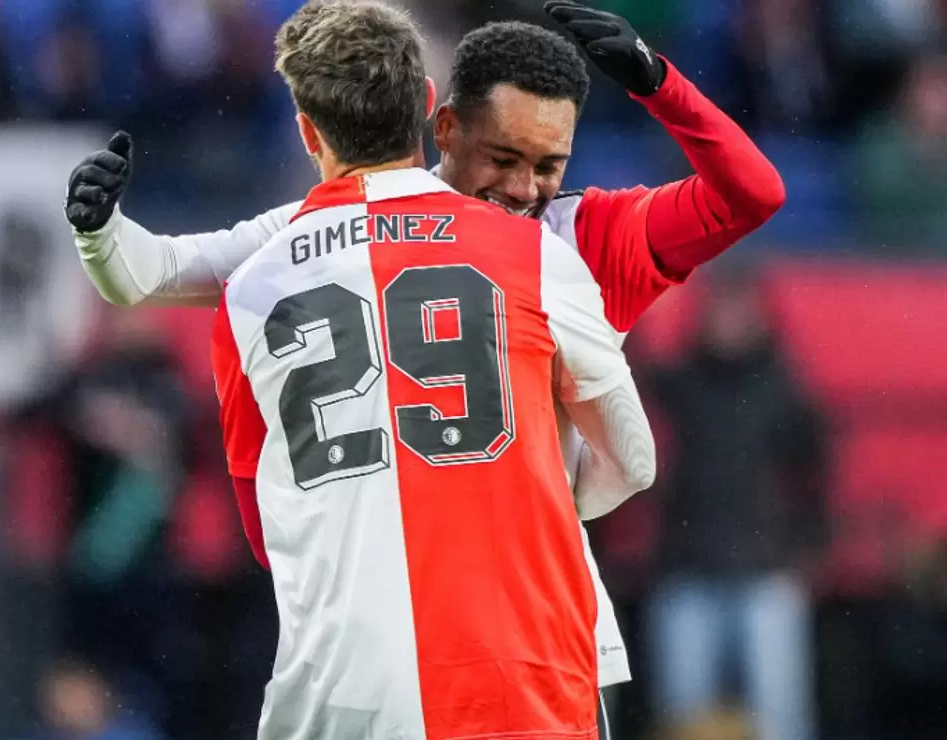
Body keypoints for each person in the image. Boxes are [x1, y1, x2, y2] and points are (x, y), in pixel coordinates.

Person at [63, 0, 784, 725]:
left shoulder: (575, 231)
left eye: (548, 165)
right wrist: (100, 231)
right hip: (506, 646)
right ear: (442, 126)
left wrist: (659, 82)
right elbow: (155, 271)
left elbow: (754, 193)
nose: (524, 189)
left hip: (494, 619)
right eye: (503, 158)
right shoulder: (533, 251)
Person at [207, 3, 655, 738]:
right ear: (426, 108)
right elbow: (633, 462)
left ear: (307, 129)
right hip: (524, 676)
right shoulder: (536, 254)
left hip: (341, 694)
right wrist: (520, 505)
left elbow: (266, 532)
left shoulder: (249, 289)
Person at [643, 270, 827, 740]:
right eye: (719, 309)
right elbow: (627, 375)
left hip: (766, 572)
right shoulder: (683, 380)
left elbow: (815, 475)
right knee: (684, 718)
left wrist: (809, 544)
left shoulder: (784, 388)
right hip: (687, 567)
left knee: (779, 719)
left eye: (737, 308)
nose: (727, 320)